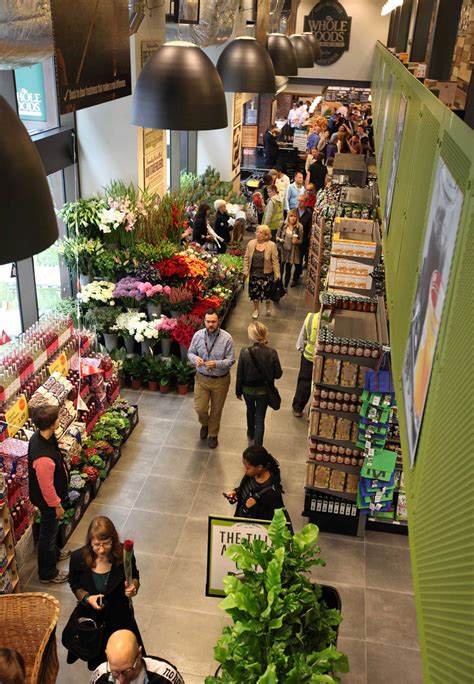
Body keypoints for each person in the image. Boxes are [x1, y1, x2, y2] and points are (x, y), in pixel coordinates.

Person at [68, 516, 143, 671]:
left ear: (113, 540)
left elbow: (134, 575)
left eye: (106, 544)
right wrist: (87, 598)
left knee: (126, 662)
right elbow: (74, 584)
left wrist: (133, 586)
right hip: (95, 622)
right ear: (90, 542)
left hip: (120, 618)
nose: (101, 549)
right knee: (100, 664)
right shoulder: (78, 558)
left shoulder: (124, 555)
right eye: (96, 545)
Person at [27, 403, 70, 584]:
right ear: (52, 424)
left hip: (50, 498)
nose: (60, 419)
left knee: (51, 530)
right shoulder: (43, 458)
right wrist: (57, 506)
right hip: (49, 502)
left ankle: (56, 553)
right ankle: (48, 573)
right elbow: (47, 488)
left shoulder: (42, 437)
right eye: (57, 418)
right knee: (48, 533)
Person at [188, 309, 235, 449]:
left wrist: (217, 364)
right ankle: (205, 423)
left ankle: (213, 434)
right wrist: (195, 358)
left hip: (220, 380)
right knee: (200, 408)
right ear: (204, 321)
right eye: (208, 322)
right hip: (201, 378)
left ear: (218, 321)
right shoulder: (198, 336)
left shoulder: (227, 339)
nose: (210, 324)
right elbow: (190, 352)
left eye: (213, 322)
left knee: (216, 410)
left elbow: (231, 360)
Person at [236, 322, 282, 446]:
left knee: (250, 410)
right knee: (260, 417)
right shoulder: (272, 352)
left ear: (251, 336)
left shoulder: (244, 352)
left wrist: (238, 391)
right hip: (264, 391)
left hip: (248, 391)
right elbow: (278, 374)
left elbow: (240, 374)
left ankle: (250, 432)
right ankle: (258, 445)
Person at [91, 630, 184, 684]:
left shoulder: (163, 677)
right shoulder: (101, 675)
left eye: (127, 671)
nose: (121, 680)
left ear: (139, 653)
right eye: (115, 672)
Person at [225, 446, 290, 523]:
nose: (244, 470)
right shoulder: (252, 475)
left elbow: (271, 520)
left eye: (248, 468)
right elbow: (246, 490)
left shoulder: (272, 493)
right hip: (241, 520)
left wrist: (254, 508)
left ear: (259, 467)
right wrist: (236, 493)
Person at [243, 224, 280, 319]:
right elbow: (246, 258)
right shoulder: (251, 243)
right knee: (254, 293)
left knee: (267, 293)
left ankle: (268, 305)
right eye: (257, 232)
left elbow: (275, 261)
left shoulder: (272, 245)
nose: (258, 234)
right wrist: (245, 270)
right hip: (254, 273)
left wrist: (277, 274)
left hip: (267, 274)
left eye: (260, 232)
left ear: (266, 235)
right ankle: (256, 309)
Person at [292, 311, 319, 417]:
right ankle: (315, 411)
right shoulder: (336, 321)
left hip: (309, 356)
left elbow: (301, 338)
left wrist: (301, 348)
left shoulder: (311, 317)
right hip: (326, 360)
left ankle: (298, 408)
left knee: (304, 383)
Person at [276, 210, 303, 288]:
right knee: (280, 270)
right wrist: (280, 240)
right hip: (282, 251)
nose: (293, 218)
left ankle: (285, 287)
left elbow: (301, 240)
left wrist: (297, 241)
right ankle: (279, 287)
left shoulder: (299, 227)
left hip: (291, 252)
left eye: (295, 216)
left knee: (288, 270)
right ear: (288, 217)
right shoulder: (282, 224)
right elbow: (277, 237)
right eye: (291, 216)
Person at [296, 194, 312, 274]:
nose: (299, 203)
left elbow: (310, 228)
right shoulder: (294, 212)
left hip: (303, 240)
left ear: (305, 202)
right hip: (293, 239)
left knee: (299, 259)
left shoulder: (308, 214)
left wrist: (308, 240)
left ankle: (296, 276)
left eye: (301, 201)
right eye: (298, 201)